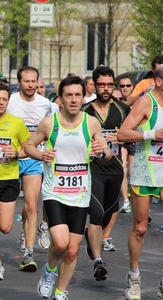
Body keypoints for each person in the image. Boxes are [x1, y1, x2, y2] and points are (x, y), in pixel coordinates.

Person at [25, 76, 110, 300]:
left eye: (77, 95)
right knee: (60, 242)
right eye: (68, 95)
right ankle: (50, 269)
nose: (73, 100)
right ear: (60, 98)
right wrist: (42, 154)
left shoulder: (90, 123)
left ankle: (61, 292)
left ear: (84, 97)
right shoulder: (49, 123)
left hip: (80, 194)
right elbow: (28, 146)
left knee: (73, 250)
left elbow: (107, 152)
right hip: (55, 192)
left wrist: (101, 150)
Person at [117, 64, 163, 300]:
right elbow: (123, 134)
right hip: (146, 171)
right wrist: (151, 134)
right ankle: (134, 276)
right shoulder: (146, 102)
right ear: (158, 81)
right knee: (140, 228)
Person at [81, 66, 130, 281]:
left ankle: (92, 240)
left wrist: (124, 139)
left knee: (109, 213)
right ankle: (98, 262)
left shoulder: (122, 110)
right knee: (97, 213)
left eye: (110, 84)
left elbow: (132, 135)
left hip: (115, 168)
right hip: (92, 169)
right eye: (102, 84)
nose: (106, 88)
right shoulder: (85, 111)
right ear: (94, 85)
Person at [7, 66, 52, 271]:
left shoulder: (46, 104)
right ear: (19, 83)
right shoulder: (10, 101)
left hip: (34, 157)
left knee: (32, 205)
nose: (31, 85)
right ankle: (26, 228)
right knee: (6, 220)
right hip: (12, 159)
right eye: (27, 81)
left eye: (34, 81)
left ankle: (28, 253)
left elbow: (51, 128)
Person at [0, 83, 29, 280]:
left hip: (10, 178)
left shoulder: (17, 123)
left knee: (6, 226)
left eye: (4, 99)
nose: (1, 103)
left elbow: (30, 147)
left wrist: (17, 153)